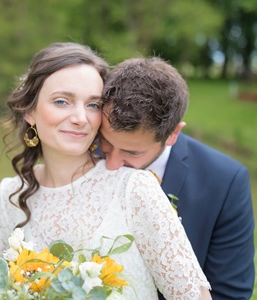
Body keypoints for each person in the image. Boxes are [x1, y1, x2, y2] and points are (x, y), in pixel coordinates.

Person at [0, 42, 212, 299]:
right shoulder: (12, 192)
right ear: (30, 111)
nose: (80, 117)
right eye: (62, 101)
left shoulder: (135, 188)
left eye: (92, 105)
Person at [99, 56, 255, 300]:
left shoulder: (225, 182)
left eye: (132, 152)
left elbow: (229, 294)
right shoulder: (80, 155)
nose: (111, 163)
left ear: (172, 134)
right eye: (106, 142)